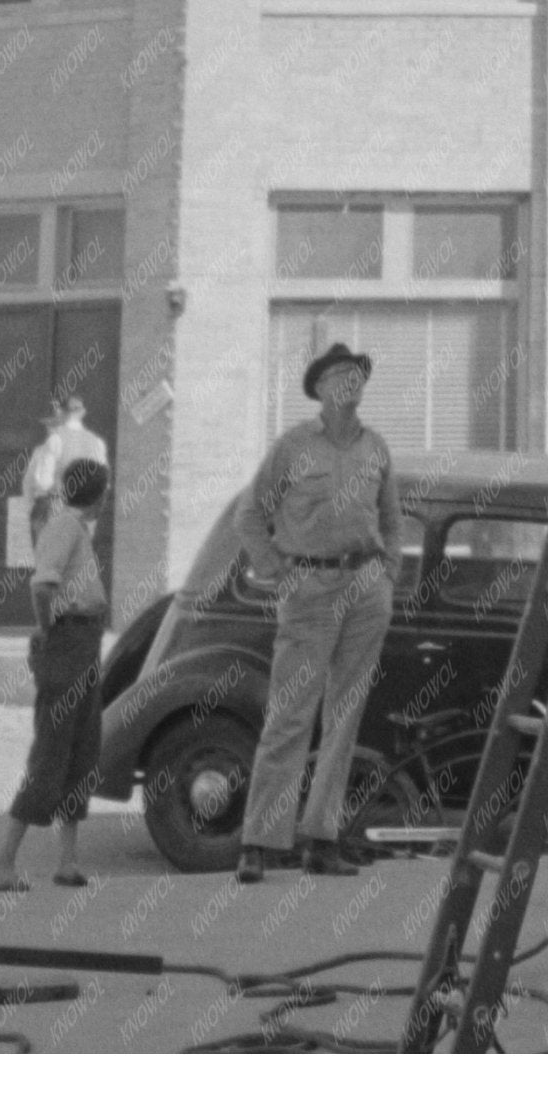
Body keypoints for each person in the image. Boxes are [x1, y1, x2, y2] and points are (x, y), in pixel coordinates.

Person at [235, 343, 403, 883]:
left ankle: (321, 838)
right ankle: (259, 842)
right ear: (320, 389)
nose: (348, 384)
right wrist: (278, 571)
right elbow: (251, 514)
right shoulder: (292, 447)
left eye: (356, 376)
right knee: (290, 713)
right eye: (337, 377)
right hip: (308, 589)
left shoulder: (376, 448)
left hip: (365, 587)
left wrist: (388, 574)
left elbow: (393, 521)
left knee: (345, 715)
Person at [0, 457, 110, 892]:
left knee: (80, 750)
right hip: (68, 642)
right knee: (51, 753)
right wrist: (47, 627)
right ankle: (3, 863)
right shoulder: (65, 528)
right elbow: (43, 585)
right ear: (101, 496)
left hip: (85, 643)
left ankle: (67, 861)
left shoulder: (74, 529)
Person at [24, 390, 107, 534]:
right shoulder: (97, 443)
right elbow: (102, 482)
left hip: (57, 510)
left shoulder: (55, 441)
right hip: (84, 513)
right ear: (82, 413)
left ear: (61, 413)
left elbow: (43, 483)